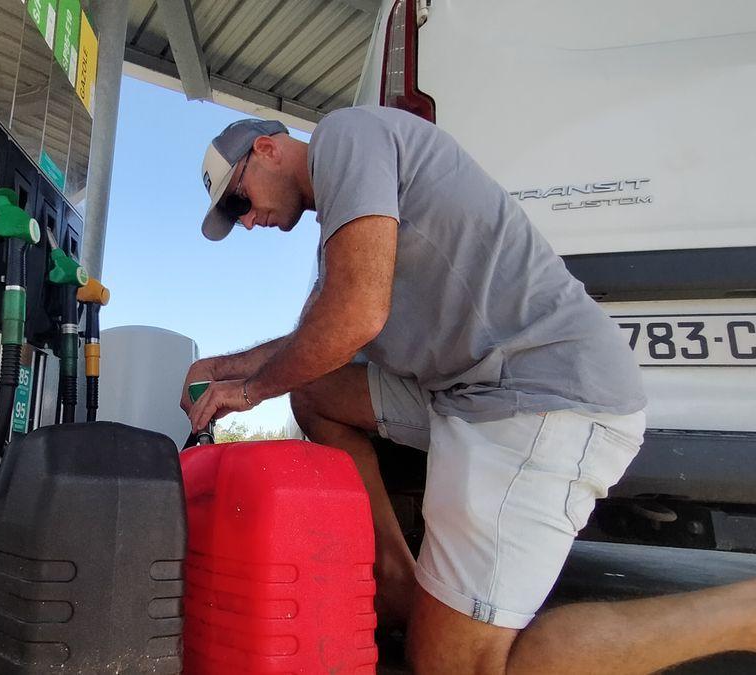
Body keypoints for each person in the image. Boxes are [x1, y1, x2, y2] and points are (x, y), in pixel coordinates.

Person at [181, 109, 756, 673]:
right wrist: (225, 366)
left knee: (454, 666)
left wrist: (250, 391)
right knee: (316, 393)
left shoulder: (345, 135)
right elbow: (318, 337)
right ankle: (394, 577)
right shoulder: (345, 227)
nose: (247, 221)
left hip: (541, 396)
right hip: (464, 395)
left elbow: (353, 317)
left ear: (268, 149)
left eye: (238, 201)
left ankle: (744, 613)